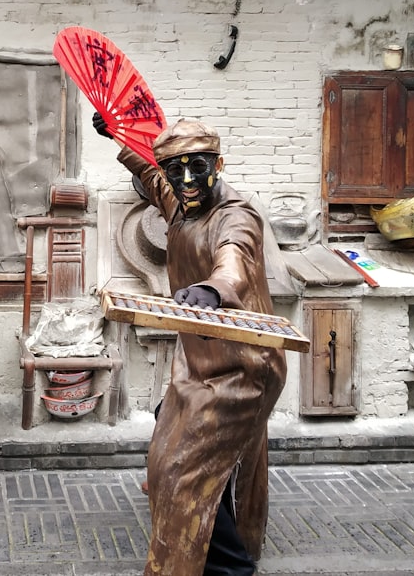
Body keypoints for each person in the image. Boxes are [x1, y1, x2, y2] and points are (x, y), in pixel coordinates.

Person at [94, 113, 287, 576]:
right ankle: (229, 535)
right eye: (175, 170)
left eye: (197, 167)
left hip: (244, 361)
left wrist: (214, 290)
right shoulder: (181, 197)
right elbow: (149, 174)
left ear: (218, 163)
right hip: (202, 355)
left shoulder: (234, 214)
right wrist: (120, 136)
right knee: (172, 427)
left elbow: (235, 257)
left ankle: (229, 568)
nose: (185, 180)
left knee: (179, 471)